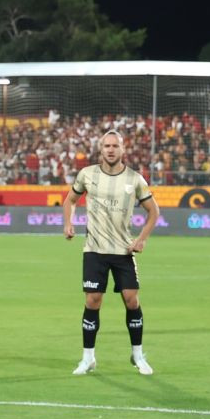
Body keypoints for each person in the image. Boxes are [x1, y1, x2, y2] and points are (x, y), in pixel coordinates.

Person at [63, 130, 159, 376]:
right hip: (94, 250)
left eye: (115, 145)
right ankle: (88, 358)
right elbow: (70, 200)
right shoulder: (87, 174)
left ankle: (138, 355)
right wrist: (68, 223)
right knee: (92, 301)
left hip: (123, 250)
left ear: (123, 149)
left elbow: (153, 211)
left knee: (132, 300)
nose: (110, 149)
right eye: (106, 145)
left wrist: (142, 239)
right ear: (100, 148)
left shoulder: (135, 179)